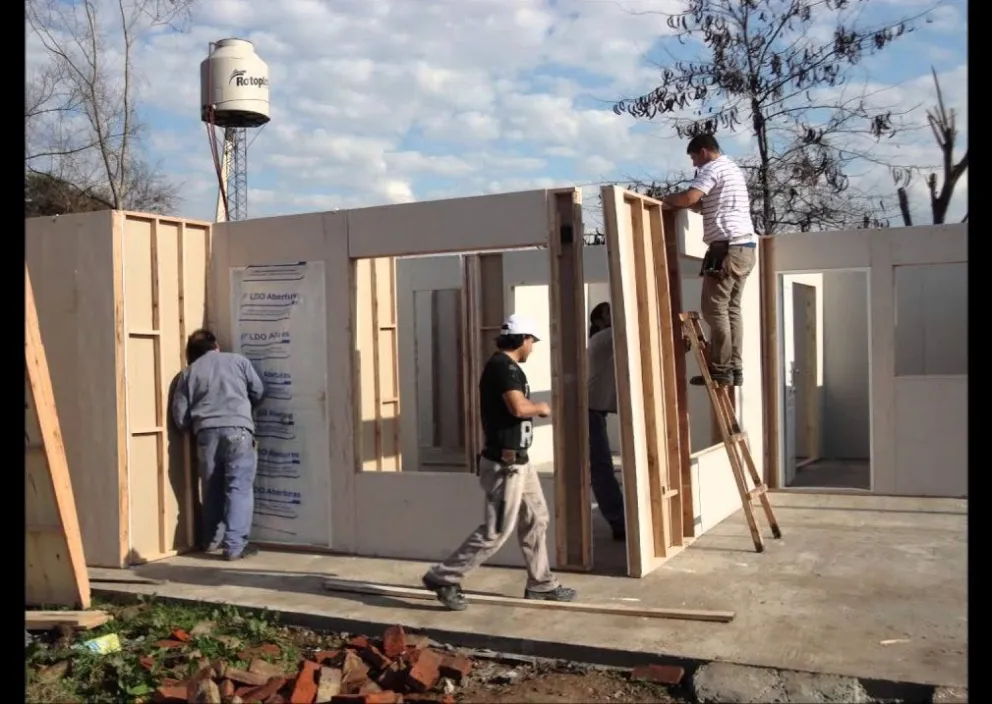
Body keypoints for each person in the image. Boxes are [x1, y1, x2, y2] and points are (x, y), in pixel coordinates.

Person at [422, 313, 577, 611]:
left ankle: (541, 584)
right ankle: (444, 577)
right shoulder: (502, 368)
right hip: (506, 465)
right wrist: (541, 408)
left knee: (537, 517)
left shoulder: (508, 367)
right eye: (532, 342)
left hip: (520, 461)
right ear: (523, 340)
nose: (532, 348)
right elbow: (518, 408)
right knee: (496, 531)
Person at [661, 133, 756, 387]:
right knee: (732, 309)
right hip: (744, 247)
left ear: (703, 152)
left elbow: (690, 198)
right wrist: (698, 206)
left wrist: (667, 200)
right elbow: (705, 204)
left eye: (694, 158)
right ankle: (734, 367)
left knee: (714, 309)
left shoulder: (712, 167)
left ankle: (720, 368)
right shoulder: (731, 170)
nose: (694, 164)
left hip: (726, 249)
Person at [171, 329, 265, 561]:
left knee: (211, 489)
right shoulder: (239, 361)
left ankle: (210, 541)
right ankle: (234, 546)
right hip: (239, 431)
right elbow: (259, 391)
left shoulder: (187, 374)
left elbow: (180, 417)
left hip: (206, 435)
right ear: (216, 345)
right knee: (238, 488)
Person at [586, 302, 626, 541]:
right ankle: (619, 521)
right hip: (589, 409)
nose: (617, 314)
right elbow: (628, 326)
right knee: (601, 467)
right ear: (600, 320)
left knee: (600, 466)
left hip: (597, 408)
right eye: (611, 311)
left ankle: (621, 518)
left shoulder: (605, 339)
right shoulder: (603, 339)